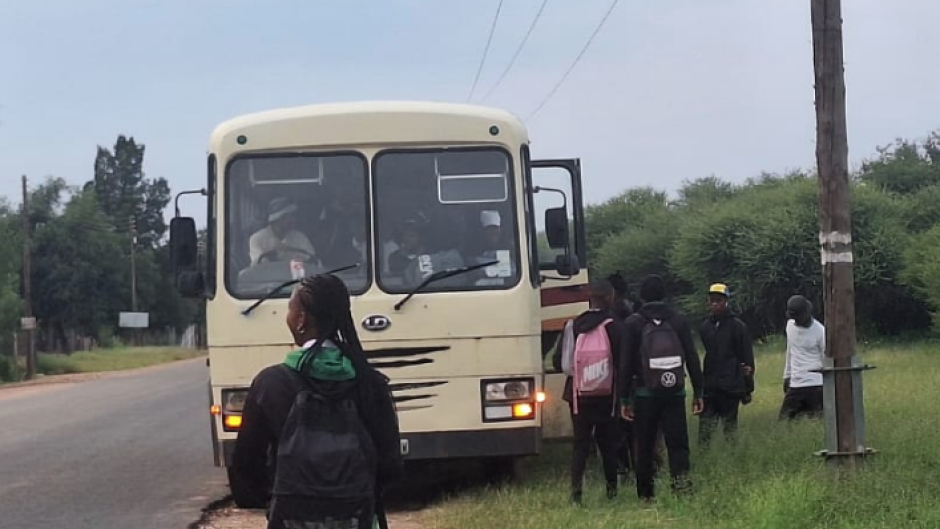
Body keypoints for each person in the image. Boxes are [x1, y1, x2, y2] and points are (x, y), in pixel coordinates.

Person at [229, 274, 403, 529]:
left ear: (301, 320)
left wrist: (279, 497)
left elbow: (245, 466)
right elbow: (390, 466)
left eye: (290, 308)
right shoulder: (371, 383)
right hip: (359, 517)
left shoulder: (270, 383)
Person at [619, 274, 704, 502]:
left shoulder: (633, 323)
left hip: (645, 394)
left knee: (644, 446)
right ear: (664, 294)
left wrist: (624, 400)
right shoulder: (678, 320)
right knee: (678, 445)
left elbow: (625, 364)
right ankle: (682, 490)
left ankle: (646, 495)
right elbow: (692, 358)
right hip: (674, 392)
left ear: (642, 297)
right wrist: (699, 392)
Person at [552, 280, 627, 506]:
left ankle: (576, 495)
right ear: (610, 298)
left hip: (577, 395)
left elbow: (559, 363)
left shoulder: (573, 325)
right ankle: (612, 492)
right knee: (608, 444)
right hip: (607, 395)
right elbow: (623, 363)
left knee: (580, 445)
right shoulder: (614, 325)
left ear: (590, 298)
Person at [698, 283, 755, 447]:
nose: (715, 304)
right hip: (710, 385)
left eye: (719, 300)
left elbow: (747, 359)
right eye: (712, 300)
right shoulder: (705, 327)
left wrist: (747, 388)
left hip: (730, 385)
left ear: (726, 301)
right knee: (705, 428)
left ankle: (733, 455)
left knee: (730, 427)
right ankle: (704, 457)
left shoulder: (738, 327)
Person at [779, 295, 825, 420]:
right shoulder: (790, 326)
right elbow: (790, 351)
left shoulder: (820, 331)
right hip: (796, 384)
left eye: (798, 317)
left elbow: (825, 360)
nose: (797, 321)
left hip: (816, 385)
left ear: (807, 313)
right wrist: (787, 375)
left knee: (819, 423)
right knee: (783, 424)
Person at [249, 197, 317, 266]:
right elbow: (257, 267)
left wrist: (288, 249)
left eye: (294, 216)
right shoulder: (257, 239)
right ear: (278, 218)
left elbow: (314, 262)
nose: (294, 220)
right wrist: (271, 252)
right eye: (290, 216)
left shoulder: (300, 238)